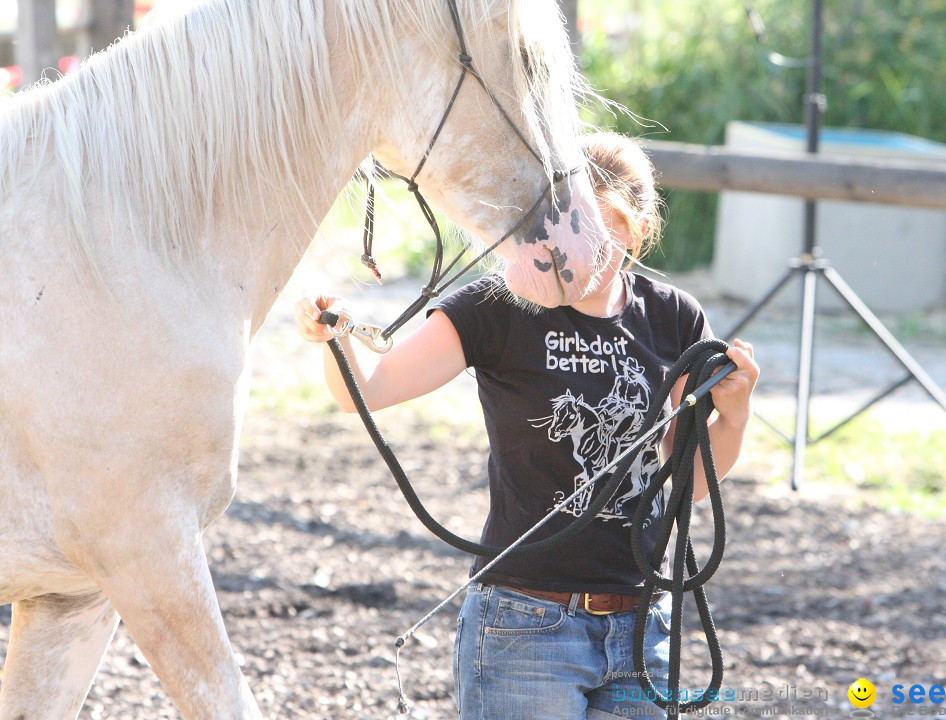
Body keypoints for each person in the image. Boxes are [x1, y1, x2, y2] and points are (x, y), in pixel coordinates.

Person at [295, 132, 758, 720]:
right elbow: (371, 389)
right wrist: (333, 339)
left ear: (638, 231)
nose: (572, 245)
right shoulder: (499, 305)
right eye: (564, 220)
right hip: (525, 624)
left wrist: (736, 415)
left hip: (643, 624)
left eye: (599, 227)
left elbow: (687, 483)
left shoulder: (675, 317)